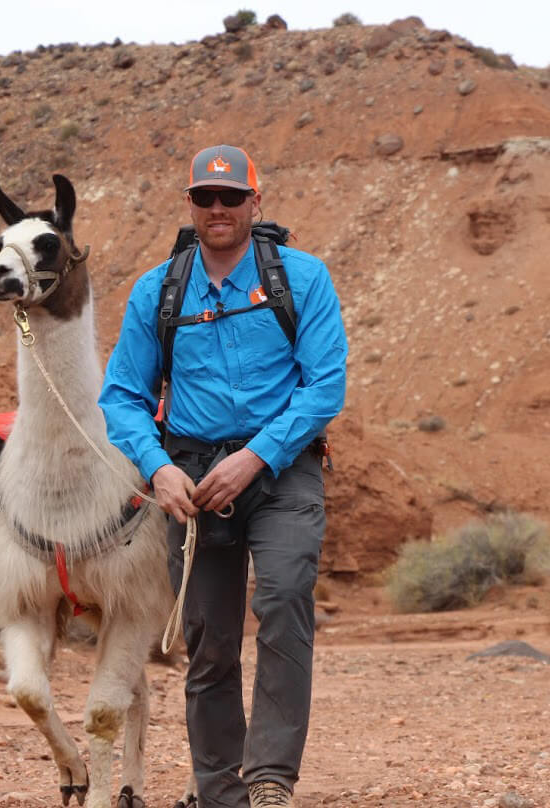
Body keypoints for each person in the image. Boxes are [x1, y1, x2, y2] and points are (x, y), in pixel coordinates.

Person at [99, 144, 348, 808]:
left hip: (282, 466)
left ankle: (268, 778)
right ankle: (220, 794)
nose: (218, 209)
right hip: (192, 478)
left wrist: (254, 457)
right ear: (190, 205)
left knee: (285, 597)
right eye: (205, 198)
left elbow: (324, 387)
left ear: (254, 203)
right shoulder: (158, 290)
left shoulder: (304, 278)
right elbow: (121, 395)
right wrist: (157, 469)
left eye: (231, 197)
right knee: (209, 639)